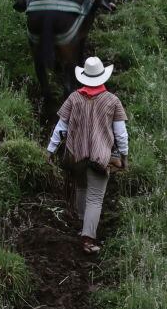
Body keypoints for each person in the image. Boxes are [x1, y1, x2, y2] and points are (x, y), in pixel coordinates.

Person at [45, 56, 129, 254]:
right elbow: (121, 134)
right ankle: (88, 239)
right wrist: (124, 158)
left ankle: (82, 225)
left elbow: (60, 128)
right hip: (100, 157)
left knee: (81, 187)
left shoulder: (73, 98)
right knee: (95, 198)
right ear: (102, 77)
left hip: (76, 154)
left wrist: (50, 151)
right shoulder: (112, 101)